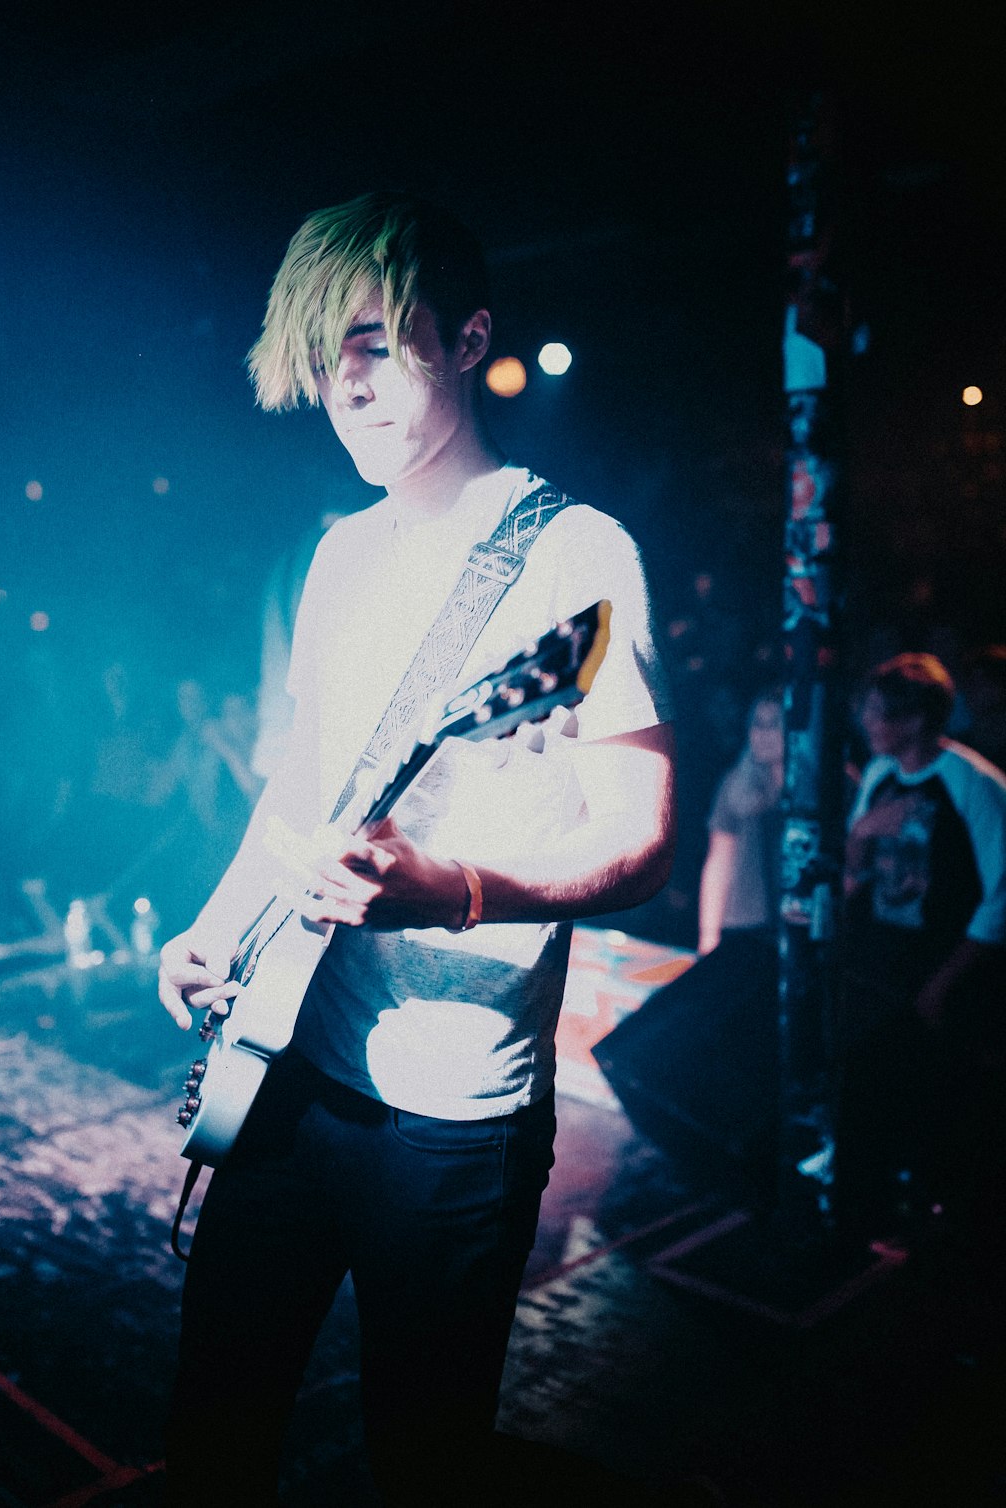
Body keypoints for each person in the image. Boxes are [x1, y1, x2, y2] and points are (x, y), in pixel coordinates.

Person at [156, 191, 677, 1506]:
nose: (348, 387)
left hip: (453, 1119)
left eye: (380, 343)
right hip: (289, 1064)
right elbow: (299, 782)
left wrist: (452, 890)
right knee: (215, 1421)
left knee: (424, 1460)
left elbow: (645, 840)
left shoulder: (573, 557)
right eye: (328, 356)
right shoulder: (335, 556)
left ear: (470, 336)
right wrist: (221, 923)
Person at [834, 652, 1006, 1245]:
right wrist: (861, 834)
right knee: (867, 1088)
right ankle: (864, 1213)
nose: (867, 723)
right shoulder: (880, 776)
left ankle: (937, 1224)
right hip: (880, 963)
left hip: (945, 965)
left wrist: (945, 981)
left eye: (878, 713)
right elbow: (852, 875)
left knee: (937, 1099)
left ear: (913, 720)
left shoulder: (973, 782)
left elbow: (1001, 894)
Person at [697, 688, 783, 958]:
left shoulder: (825, 784)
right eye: (758, 724)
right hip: (747, 923)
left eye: (774, 724)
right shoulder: (736, 784)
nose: (763, 733)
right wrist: (709, 935)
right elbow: (719, 860)